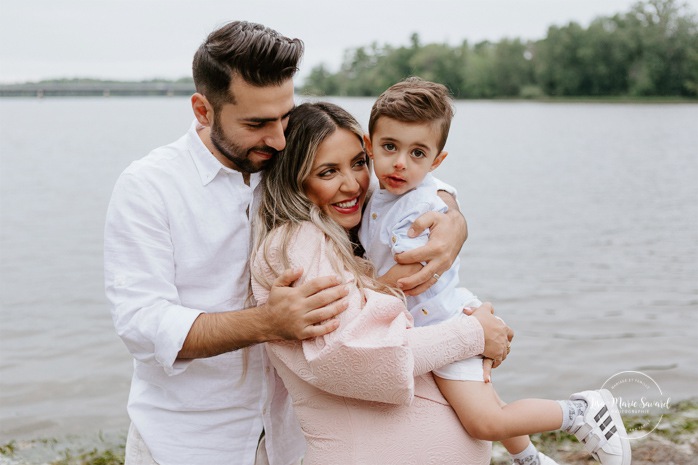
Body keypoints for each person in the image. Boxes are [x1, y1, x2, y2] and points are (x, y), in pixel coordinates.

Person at [103, 21, 487, 465]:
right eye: (258, 123)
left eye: (285, 116)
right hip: (190, 441)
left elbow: (394, 183)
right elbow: (141, 324)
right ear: (203, 111)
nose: (280, 138)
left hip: (288, 441)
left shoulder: (283, 162)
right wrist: (266, 322)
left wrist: (452, 214)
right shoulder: (150, 186)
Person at [358, 77, 631, 465]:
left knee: (483, 421)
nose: (401, 162)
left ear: (436, 161)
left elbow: (408, 270)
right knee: (490, 401)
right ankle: (530, 459)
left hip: (446, 325)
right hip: (430, 323)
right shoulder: (379, 193)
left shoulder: (422, 207)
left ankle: (579, 412)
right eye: (390, 147)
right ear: (369, 146)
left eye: (417, 153)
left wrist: (360, 288)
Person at [250, 101, 514, 465]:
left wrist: (451, 213)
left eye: (359, 163)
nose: (354, 184)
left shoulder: (352, 222)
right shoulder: (299, 242)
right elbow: (353, 356)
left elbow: (422, 187)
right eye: (327, 172)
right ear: (295, 179)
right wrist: (472, 334)